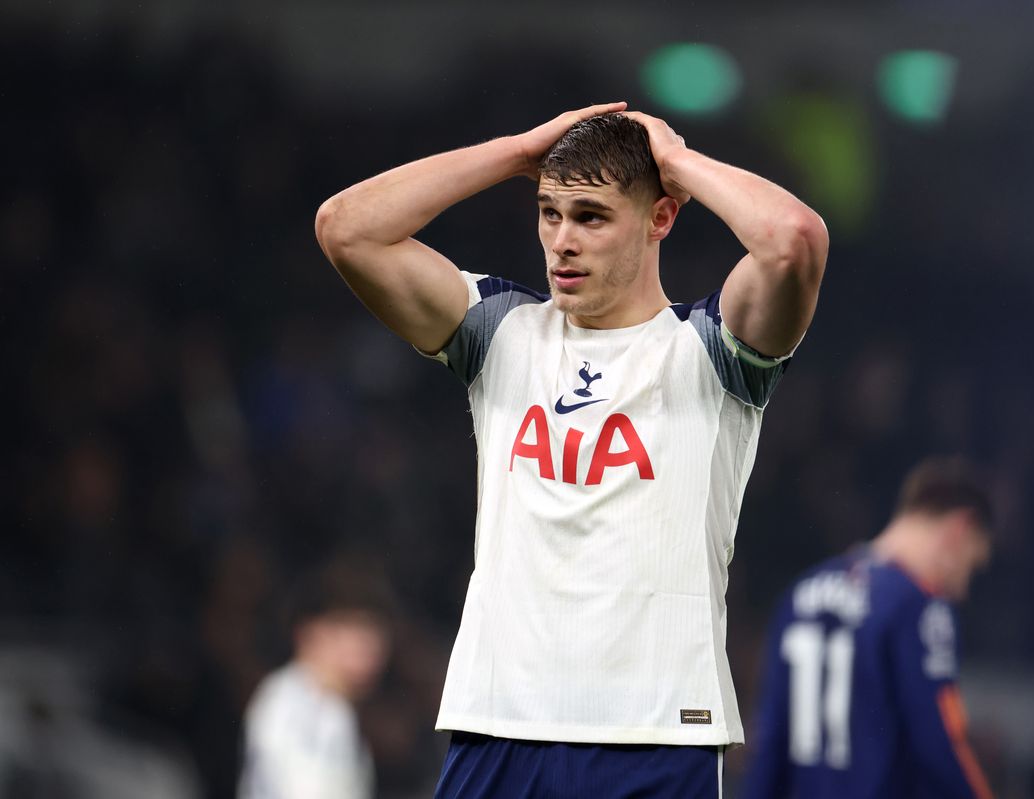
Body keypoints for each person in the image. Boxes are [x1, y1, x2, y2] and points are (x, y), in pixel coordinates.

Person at [315, 102, 828, 797]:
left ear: (660, 218)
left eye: (590, 216)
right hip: (498, 722)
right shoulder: (500, 333)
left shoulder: (711, 349)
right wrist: (516, 151)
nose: (561, 240)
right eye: (549, 212)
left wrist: (675, 163)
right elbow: (346, 230)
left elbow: (794, 238)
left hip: (654, 734)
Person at [743, 456, 996, 799]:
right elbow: (939, 743)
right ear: (959, 530)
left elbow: (769, 743)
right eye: (972, 565)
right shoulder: (919, 606)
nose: (963, 589)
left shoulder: (799, 593)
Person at [237, 563, 394, 799]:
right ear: (310, 632)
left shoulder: (331, 707)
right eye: (353, 627)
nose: (370, 646)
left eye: (374, 630)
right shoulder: (293, 702)